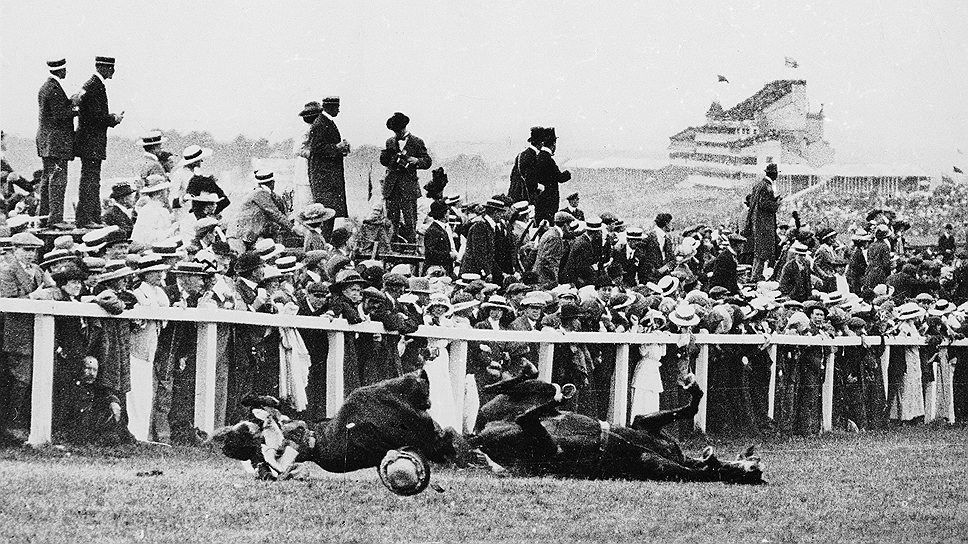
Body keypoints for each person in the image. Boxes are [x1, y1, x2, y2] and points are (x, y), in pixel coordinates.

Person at [0, 232, 45, 441]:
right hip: (16, 333)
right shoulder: (6, 271)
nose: (30, 254)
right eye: (26, 250)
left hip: (38, 331)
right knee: (20, 380)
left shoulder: (38, 271)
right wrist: (34, 296)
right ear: (15, 249)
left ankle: (25, 425)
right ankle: (11, 426)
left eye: (33, 250)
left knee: (34, 379)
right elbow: (8, 301)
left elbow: (53, 289)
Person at [74, 56, 123, 228]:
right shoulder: (94, 86)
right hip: (91, 142)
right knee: (90, 180)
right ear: (104, 68)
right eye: (111, 68)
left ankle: (92, 217)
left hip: (89, 141)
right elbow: (96, 117)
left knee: (92, 179)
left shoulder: (92, 85)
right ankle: (86, 218)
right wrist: (113, 119)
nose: (113, 71)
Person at [36, 58, 77, 230]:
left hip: (47, 142)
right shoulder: (54, 89)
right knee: (58, 181)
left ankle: (44, 216)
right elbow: (60, 115)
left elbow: (56, 110)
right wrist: (76, 106)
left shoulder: (46, 87)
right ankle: (55, 219)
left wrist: (69, 103)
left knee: (47, 179)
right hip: (57, 144)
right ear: (61, 70)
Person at [380, 112, 432, 243]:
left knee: (410, 221)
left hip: (409, 189)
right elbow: (386, 161)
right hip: (392, 188)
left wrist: (416, 160)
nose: (396, 133)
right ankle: (392, 247)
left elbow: (427, 161)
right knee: (391, 222)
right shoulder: (390, 142)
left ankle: (411, 248)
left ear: (404, 128)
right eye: (394, 131)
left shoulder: (417, 142)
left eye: (398, 131)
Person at [307, 96, 350, 239]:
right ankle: (323, 242)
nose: (338, 110)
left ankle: (325, 241)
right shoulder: (320, 124)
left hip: (329, 177)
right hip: (324, 178)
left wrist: (341, 149)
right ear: (330, 108)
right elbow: (316, 148)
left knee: (330, 213)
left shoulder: (326, 122)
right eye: (337, 107)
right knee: (326, 213)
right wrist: (337, 147)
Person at [230, 170, 295, 251]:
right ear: (272, 183)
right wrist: (293, 228)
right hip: (238, 236)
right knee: (241, 257)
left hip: (245, 235)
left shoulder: (262, 193)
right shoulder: (260, 193)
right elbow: (274, 213)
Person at [745, 163, 781, 281]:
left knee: (759, 251)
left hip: (758, 223)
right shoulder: (767, 186)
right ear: (773, 174)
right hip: (764, 224)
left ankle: (755, 274)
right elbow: (763, 204)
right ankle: (756, 276)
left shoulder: (759, 185)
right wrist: (776, 203)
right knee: (763, 252)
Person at [532, 127, 571, 225]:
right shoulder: (548, 160)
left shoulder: (538, 157)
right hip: (549, 202)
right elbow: (560, 178)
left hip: (540, 201)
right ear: (553, 144)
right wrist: (568, 173)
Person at [460, 198, 506, 280]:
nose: (502, 216)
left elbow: (489, 256)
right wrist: (487, 272)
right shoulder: (480, 226)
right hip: (473, 272)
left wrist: (500, 273)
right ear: (495, 212)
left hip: (480, 271)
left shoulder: (489, 226)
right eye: (501, 213)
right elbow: (479, 253)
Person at [131, 175, 177, 246]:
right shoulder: (148, 210)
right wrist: (172, 230)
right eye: (165, 191)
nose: (168, 193)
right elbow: (149, 236)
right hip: (146, 247)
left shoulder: (163, 210)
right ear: (158, 194)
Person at [533, 211, 572, 288]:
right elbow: (548, 260)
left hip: (542, 276)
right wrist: (554, 281)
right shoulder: (554, 237)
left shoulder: (551, 233)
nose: (569, 227)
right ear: (565, 225)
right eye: (569, 224)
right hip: (545, 279)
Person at [507, 127, 543, 204]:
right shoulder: (533, 157)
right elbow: (531, 181)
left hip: (514, 193)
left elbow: (512, 175)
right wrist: (539, 188)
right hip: (524, 196)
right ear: (540, 143)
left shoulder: (520, 155)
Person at [640, 213, 675, 283]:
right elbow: (643, 259)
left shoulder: (667, 239)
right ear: (666, 223)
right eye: (671, 223)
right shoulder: (649, 237)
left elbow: (671, 258)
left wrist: (666, 267)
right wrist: (656, 271)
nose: (672, 225)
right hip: (650, 278)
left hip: (663, 277)